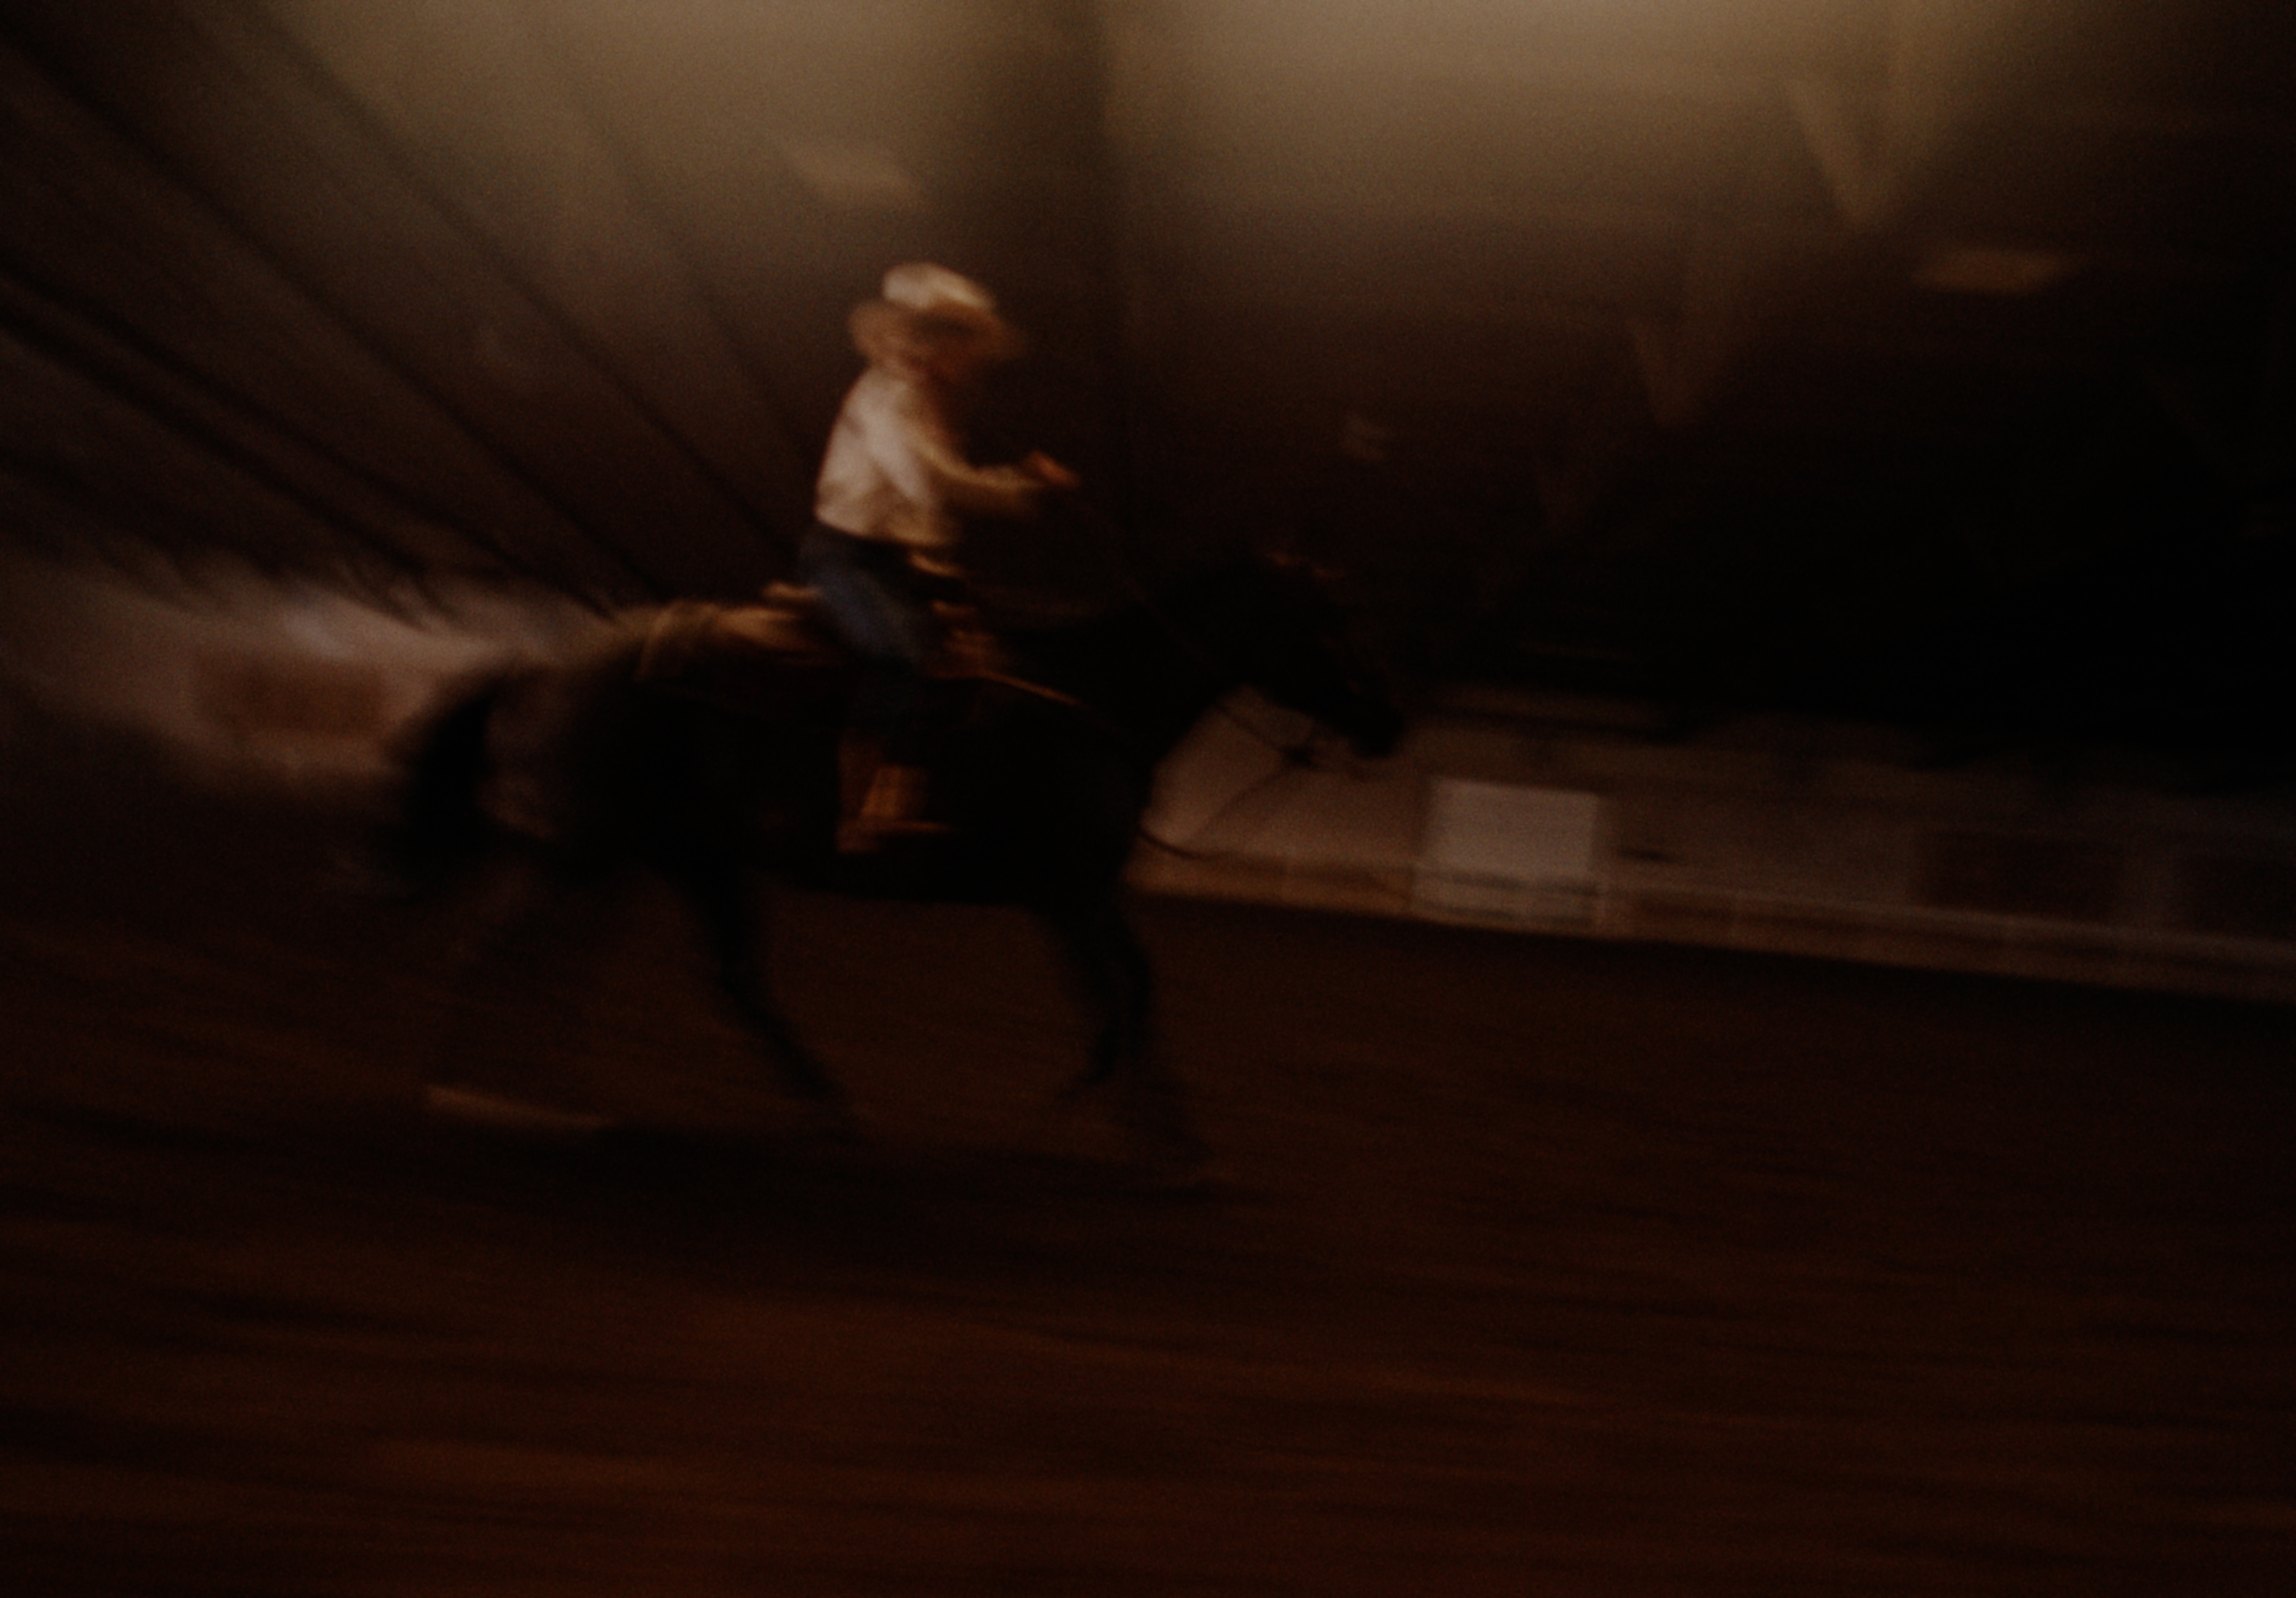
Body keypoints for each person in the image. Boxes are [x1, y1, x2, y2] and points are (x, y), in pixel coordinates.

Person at [801, 263, 1077, 849]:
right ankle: (859, 811)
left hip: (894, 563)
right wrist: (1025, 487)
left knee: (982, 662)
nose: (976, 359)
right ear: (937, 339)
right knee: (901, 657)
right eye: (969, 342)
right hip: (849, 559)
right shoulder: (888, 396)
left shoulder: (923, 399)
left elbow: (926, 508)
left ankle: (937, 794)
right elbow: (928, 484)